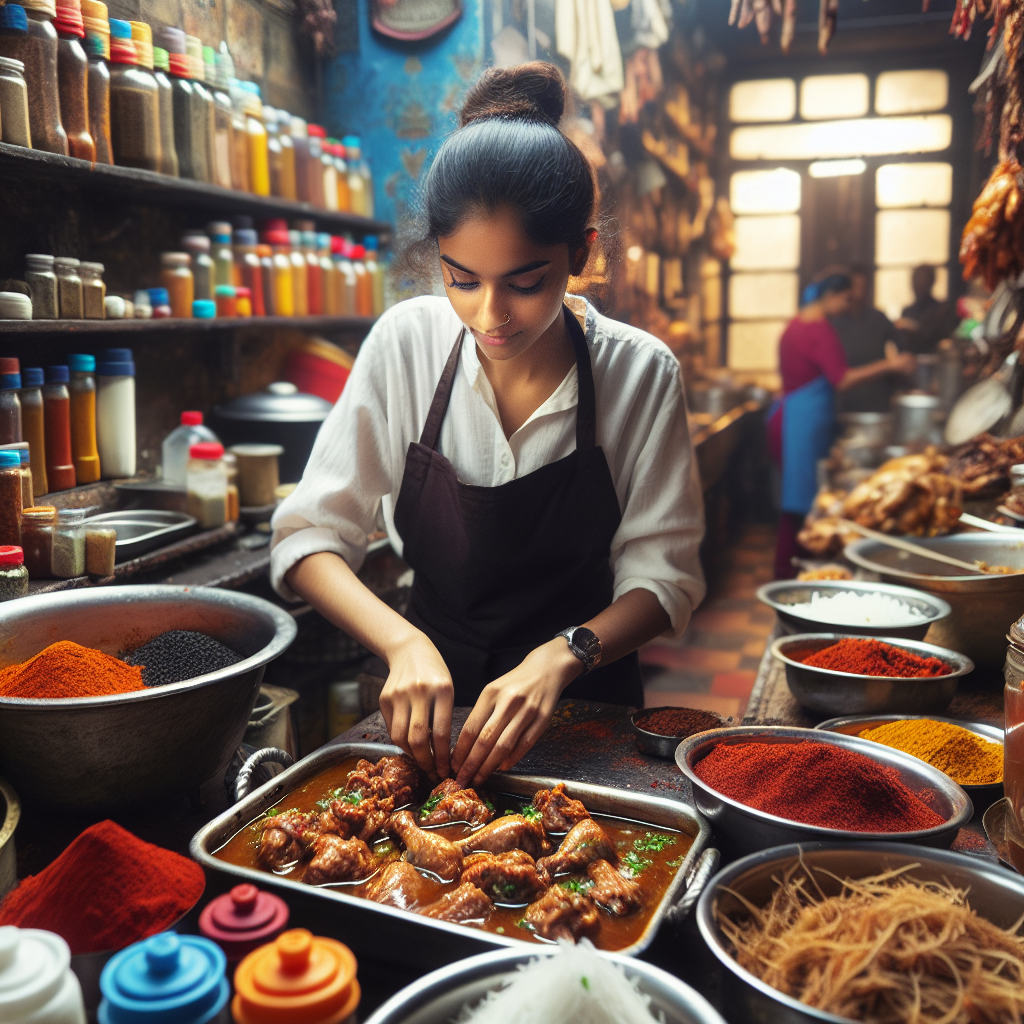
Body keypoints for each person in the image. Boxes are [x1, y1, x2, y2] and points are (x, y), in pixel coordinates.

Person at [269, 62, 705, 786]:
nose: (489, 316)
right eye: (462, 279)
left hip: (586, 706)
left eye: (526, 282)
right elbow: (309, 537)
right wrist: (402, 644)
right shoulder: (405, 344)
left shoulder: (639, 372)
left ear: (582, 252)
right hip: (437, 715)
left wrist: (563, 656)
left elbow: (666, 581)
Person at [768, 273, 915, 579]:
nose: (850, 307)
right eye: (847, 299)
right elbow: (842, 379)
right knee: (803, 505)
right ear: (831, 295)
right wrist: (892, 364)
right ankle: (797, 572)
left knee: (798, 502)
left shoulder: (796, 323)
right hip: (801, 425)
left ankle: (791, 569)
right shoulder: (819, 330)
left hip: (791, 419)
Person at [829, 266, 903, 414]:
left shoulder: (879, 319)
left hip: (876, 400)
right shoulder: (834, 323)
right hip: (845, 402)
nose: (860, 292)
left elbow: (902, 351)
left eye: (864, 286)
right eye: (856, 286)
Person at [898, 265, 959, 354]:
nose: (918, 284)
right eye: (915, 280)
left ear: (931, 282)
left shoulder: (942, 310)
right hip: (911, 361)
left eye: (923, 281)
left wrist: (915, 329)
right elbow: (902, 345)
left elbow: (944, 340)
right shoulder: (907, 311)